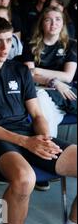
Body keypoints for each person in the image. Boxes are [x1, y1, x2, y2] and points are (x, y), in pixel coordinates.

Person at [0, 17, 77, 224]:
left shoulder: (20, 71)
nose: (5, 47)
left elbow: (37, 114)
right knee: (25, 180)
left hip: (28, 136)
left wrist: (44, 138)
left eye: (9, 40)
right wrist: (25, 142)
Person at [22, 7, 77, 138]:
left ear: (63, 23)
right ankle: (50, 145)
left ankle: (48, 145)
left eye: (58, 19)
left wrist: (38, 70)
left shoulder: (71, 45)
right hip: (38, 89)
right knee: (41, 98)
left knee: (49, 114)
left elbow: (68, 77)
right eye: (48, 20)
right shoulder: (31, 45)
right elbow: (29, 75)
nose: (54, 24)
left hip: (62, 89)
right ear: (42, 23)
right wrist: (53, 81)